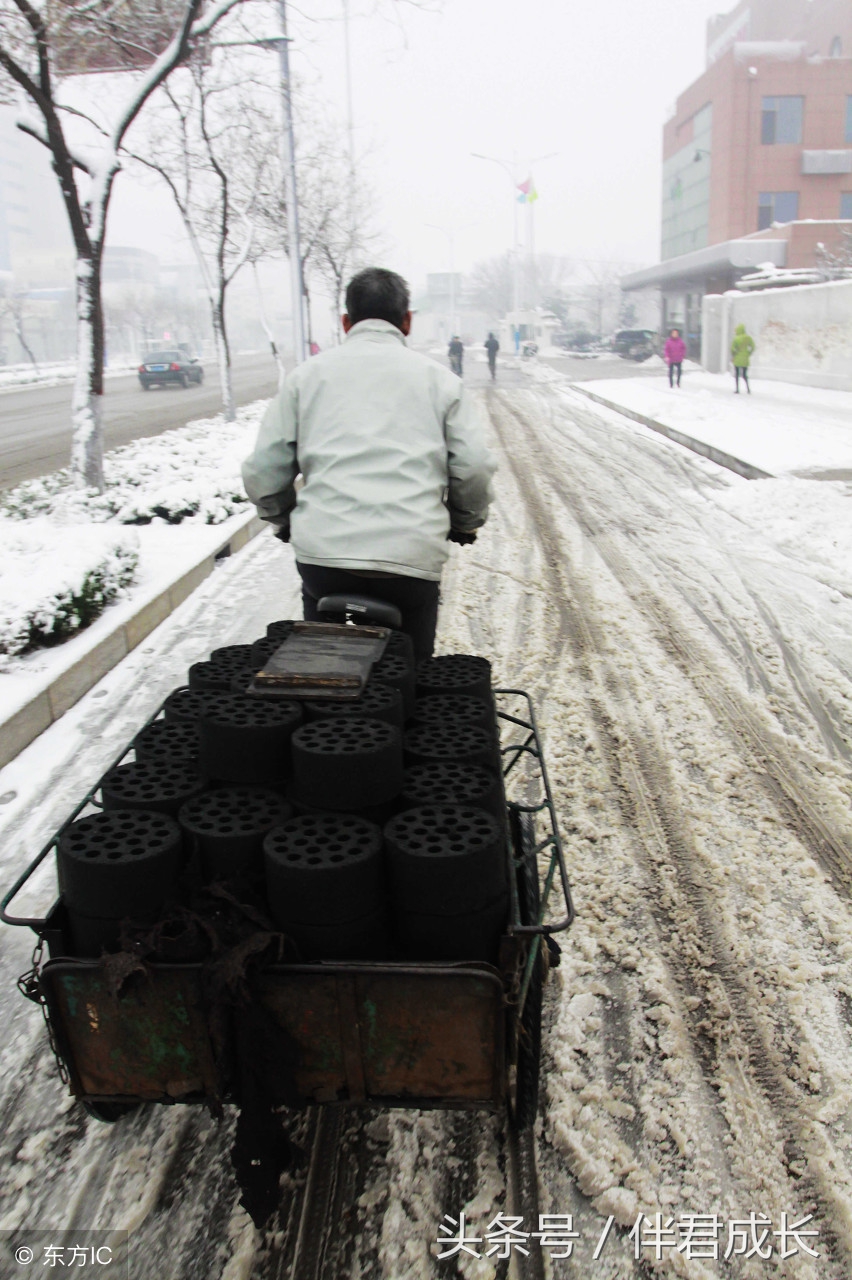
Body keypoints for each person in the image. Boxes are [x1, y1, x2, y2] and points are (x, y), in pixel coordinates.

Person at [242, 267, 496, 660]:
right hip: (409, 563)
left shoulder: (304, 378)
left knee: (322, 673)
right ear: (407, 321)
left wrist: (282, 517)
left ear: (346, 322)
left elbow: (263, 469)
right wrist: (464, 522)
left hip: (323, 563)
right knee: (411, 673)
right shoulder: (441, 382)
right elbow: (474, 467)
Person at [731, 323, 755, 394]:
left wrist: (734, 355)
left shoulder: (736, 339)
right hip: (745, 359)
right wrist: (748, 353)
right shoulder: (748, 338)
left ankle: (737, 389)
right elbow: (753, 347)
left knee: (737, 374)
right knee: (745, 374)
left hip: (737, 359)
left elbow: (732, 349)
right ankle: (748, 388)